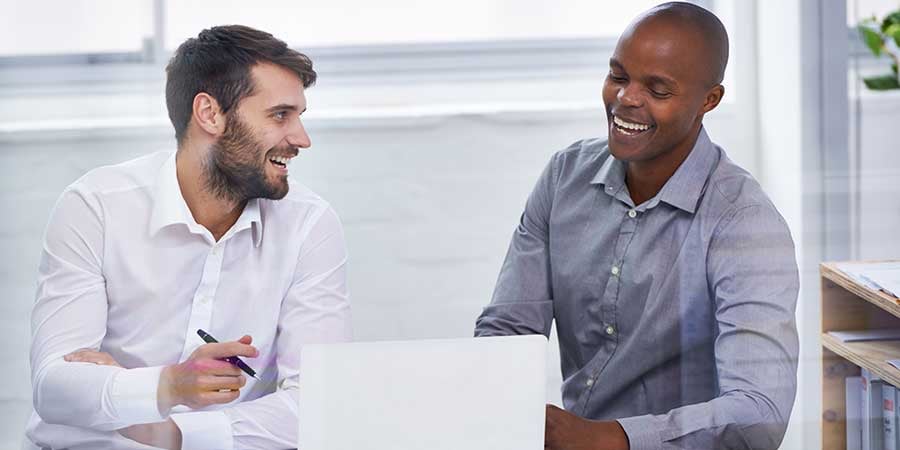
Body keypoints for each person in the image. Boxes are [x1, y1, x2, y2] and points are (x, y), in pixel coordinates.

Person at [474, 3, 799, 450]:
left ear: (709, 100)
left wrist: (609, 439)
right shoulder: (564, 176)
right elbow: (508, 332)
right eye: (619, 76)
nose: (626, 98)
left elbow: (758, 413)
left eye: (658, 89)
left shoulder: (742, 222)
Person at [26, 25, 351, 450]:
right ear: (210, 114)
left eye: (299, 116)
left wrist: (169, 428)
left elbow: (322, 404)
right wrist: (169, 386)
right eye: (279, 115)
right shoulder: (96, 207)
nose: (301, 139)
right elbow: (55, 387)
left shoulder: (310, 225)